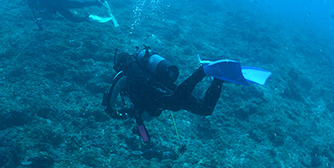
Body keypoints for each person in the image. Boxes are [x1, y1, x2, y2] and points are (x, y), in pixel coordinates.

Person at [103, 47, 271, 142]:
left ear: (118, 65)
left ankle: (201, 72)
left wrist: (114, 112)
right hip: (162, 90)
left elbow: (111, 105)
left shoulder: (123, 75)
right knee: (205, 109)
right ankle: (218, 79)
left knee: (175, 103)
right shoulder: (137, 73)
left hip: (157, 93)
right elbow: (143, 124)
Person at [26, 0, 102, 28]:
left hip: (57, 5)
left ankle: (87, 19)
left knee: (71, 17)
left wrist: (41, 18)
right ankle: (97, 2)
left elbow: (46, 8)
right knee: (79, 4)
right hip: (60, 0)